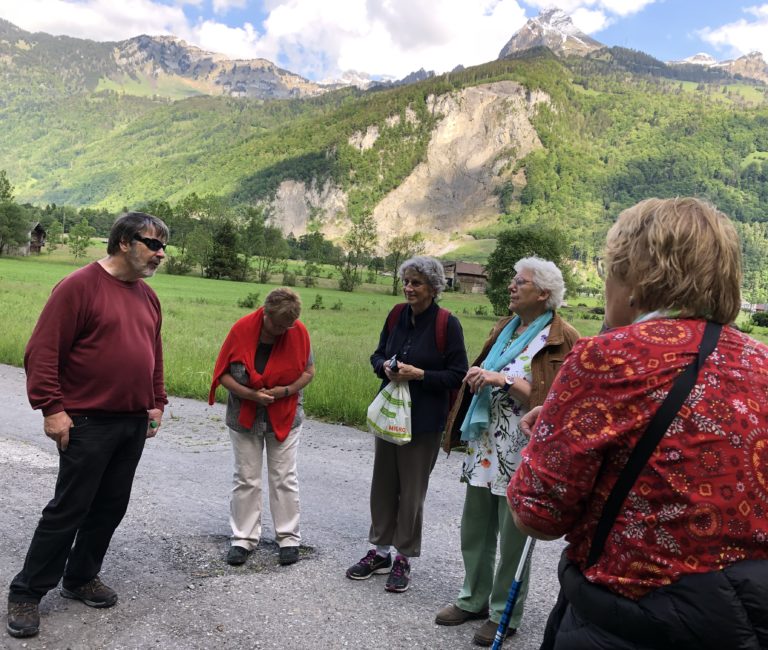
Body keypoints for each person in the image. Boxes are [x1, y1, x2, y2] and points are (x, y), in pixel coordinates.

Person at [508, 198, 768, 650]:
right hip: (747, 623)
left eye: (612, 270)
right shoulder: (761, 362)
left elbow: (538, 516)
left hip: (627, 620)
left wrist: (546, 443)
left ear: (635, 280)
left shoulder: (608, 357)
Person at [7, 212, 169, 639]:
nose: (160, 254)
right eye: (152, 244)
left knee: (109, 507)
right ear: (123, 242)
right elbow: (41, 352)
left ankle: (80, 577)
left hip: (132, 421)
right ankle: (27, 592)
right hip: (86, 420)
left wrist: (156, 403)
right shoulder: (79, 286)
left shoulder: (148, 298)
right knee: (69, 509)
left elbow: (153, 355)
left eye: (163, 247)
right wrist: (51, 408)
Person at [435, 257, 579, 647]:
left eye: (521, 281)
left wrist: (503, 379)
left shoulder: (562, 338)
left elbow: (558, 402)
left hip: (522, 445)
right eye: (514, 280)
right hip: (487, 442)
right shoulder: (507, 327)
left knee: (513, 533)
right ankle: (472, 598)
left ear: (544, 293)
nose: (512, 286)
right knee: (475, 527)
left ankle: (504, 613)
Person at [346, 256, 468, 593]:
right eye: (407, 281)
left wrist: (421, 375)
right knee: (382, 484)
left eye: (416, 283)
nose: (409, 288)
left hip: (425, 421)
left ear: (433, 287)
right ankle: (379, 551)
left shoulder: (447, 324)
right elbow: (377, 354)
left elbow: (458, 374)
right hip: (390, 415)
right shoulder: (396, 315)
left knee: (411, 491)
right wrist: (384, 365)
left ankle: (403, 557)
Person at [209, 287, 314, 568]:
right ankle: (242, 539)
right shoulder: (241, 330)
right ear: (265, 313)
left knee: (284, 477)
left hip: (286, 414)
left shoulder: (298, 331)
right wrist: (251, 395)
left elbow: (308, 371)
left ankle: (289, 538)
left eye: (288, 325)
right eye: (278, 324)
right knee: (246, 477)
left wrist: (285, 390)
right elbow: (223, 375)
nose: (283, 331)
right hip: (244, 415)